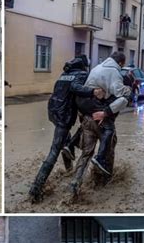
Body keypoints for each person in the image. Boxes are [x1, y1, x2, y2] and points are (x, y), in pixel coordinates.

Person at [29, 55, 105, 203]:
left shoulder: (64, 74)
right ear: (84, 66)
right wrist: (93, 92)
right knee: (54, 150)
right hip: (64, 116)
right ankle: (36, 188)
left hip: (54, 112)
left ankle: (68, 170)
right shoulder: (81, 75)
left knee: (66, 141)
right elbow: (76, 88)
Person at [73, 51, 131, 180]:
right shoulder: (115, 74)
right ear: (120, 63)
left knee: (86, 154)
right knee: (108, 149)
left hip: (87, 116)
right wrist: (128, 91)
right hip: (101, 118)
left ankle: (75, 184)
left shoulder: (96, 68)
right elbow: (121, 96)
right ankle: (104, 181)